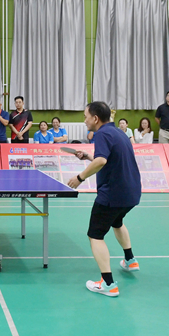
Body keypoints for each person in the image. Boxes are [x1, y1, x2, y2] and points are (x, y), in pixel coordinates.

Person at [67, 101, 141, 298]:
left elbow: (102, 161)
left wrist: (79, 178)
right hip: (131, 193)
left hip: (112, 194)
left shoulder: (101, 134)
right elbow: (107, 158)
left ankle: (108, 284)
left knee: (95, 235)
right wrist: (88, 156)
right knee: (117, 222)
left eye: (85, 117)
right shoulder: (118, 133)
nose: (84, 121)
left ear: (95, 118)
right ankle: (130, 260)